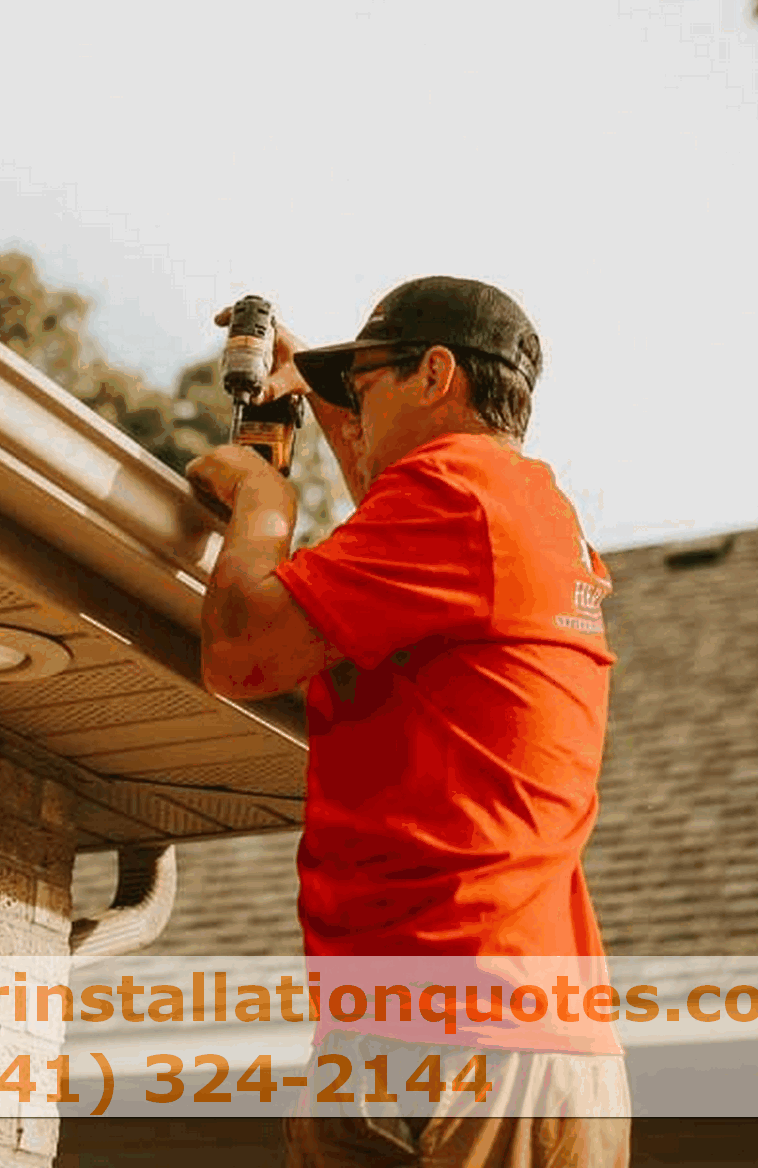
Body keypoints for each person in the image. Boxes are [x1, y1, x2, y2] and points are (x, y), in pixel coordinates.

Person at [184, 276, 631, 1168]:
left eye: (366, 384)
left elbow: (242, 651)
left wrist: (266, 507)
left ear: (435, 374)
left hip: (469, 1028)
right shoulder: (519, 504)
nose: (354, 412)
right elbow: (384, 522)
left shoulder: (455, 495)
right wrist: (316, 391)